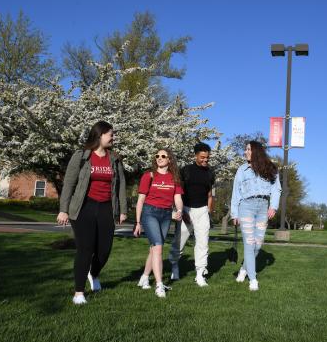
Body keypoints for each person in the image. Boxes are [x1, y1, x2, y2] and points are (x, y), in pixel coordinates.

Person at [57, 121, 127, 304]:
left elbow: (121, 186)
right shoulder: (81, 156)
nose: (113, 137)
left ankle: (93, 274)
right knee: (85, 250)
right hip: (84, 207)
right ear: (100, 135)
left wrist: (122, 210)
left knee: (104, 250)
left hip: (106, 208)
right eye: (110, 134)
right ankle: (79, 292)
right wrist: (63, 209)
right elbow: (69, 184)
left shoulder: (115, 159)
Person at [231, 141, 281, 291]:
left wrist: (273, 206)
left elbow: (276, 189)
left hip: (263, 207)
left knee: (258, 244)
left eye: (248, 149)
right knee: (249, 243)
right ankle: (253, 279)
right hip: (246, 207)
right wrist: (234, 213)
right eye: (245, 149)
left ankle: (243, 269)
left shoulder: (270, 169)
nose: (245, 152)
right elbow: (236, 192)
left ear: (256, 152)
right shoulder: (242, 170)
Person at [133, 148, 184, 298]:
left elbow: (178, 198)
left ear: (170, 160)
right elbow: (140, 200)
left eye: (163, 156)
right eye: (157, 156)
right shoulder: (149, 175)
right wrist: (137, 222)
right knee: (158, 247)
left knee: (154, 249)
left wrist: (179, 210)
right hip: (150, 213)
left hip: (166, 214)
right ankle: (159, 285)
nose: (159, 158)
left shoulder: (174, 178)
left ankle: (144, 277)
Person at [168, 142, 215, 287]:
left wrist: (209, 211)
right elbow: (177, 192)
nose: (205, 160)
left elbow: (210, 194)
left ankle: (200, 274)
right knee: (179, 242)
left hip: (202, 211)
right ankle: (174, 265)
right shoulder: (185, 171)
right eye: (202, 157)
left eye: (207, 158)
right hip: (186, 210)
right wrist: (180, 211)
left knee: (202, 244)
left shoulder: (210, 173)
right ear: (195, 155)